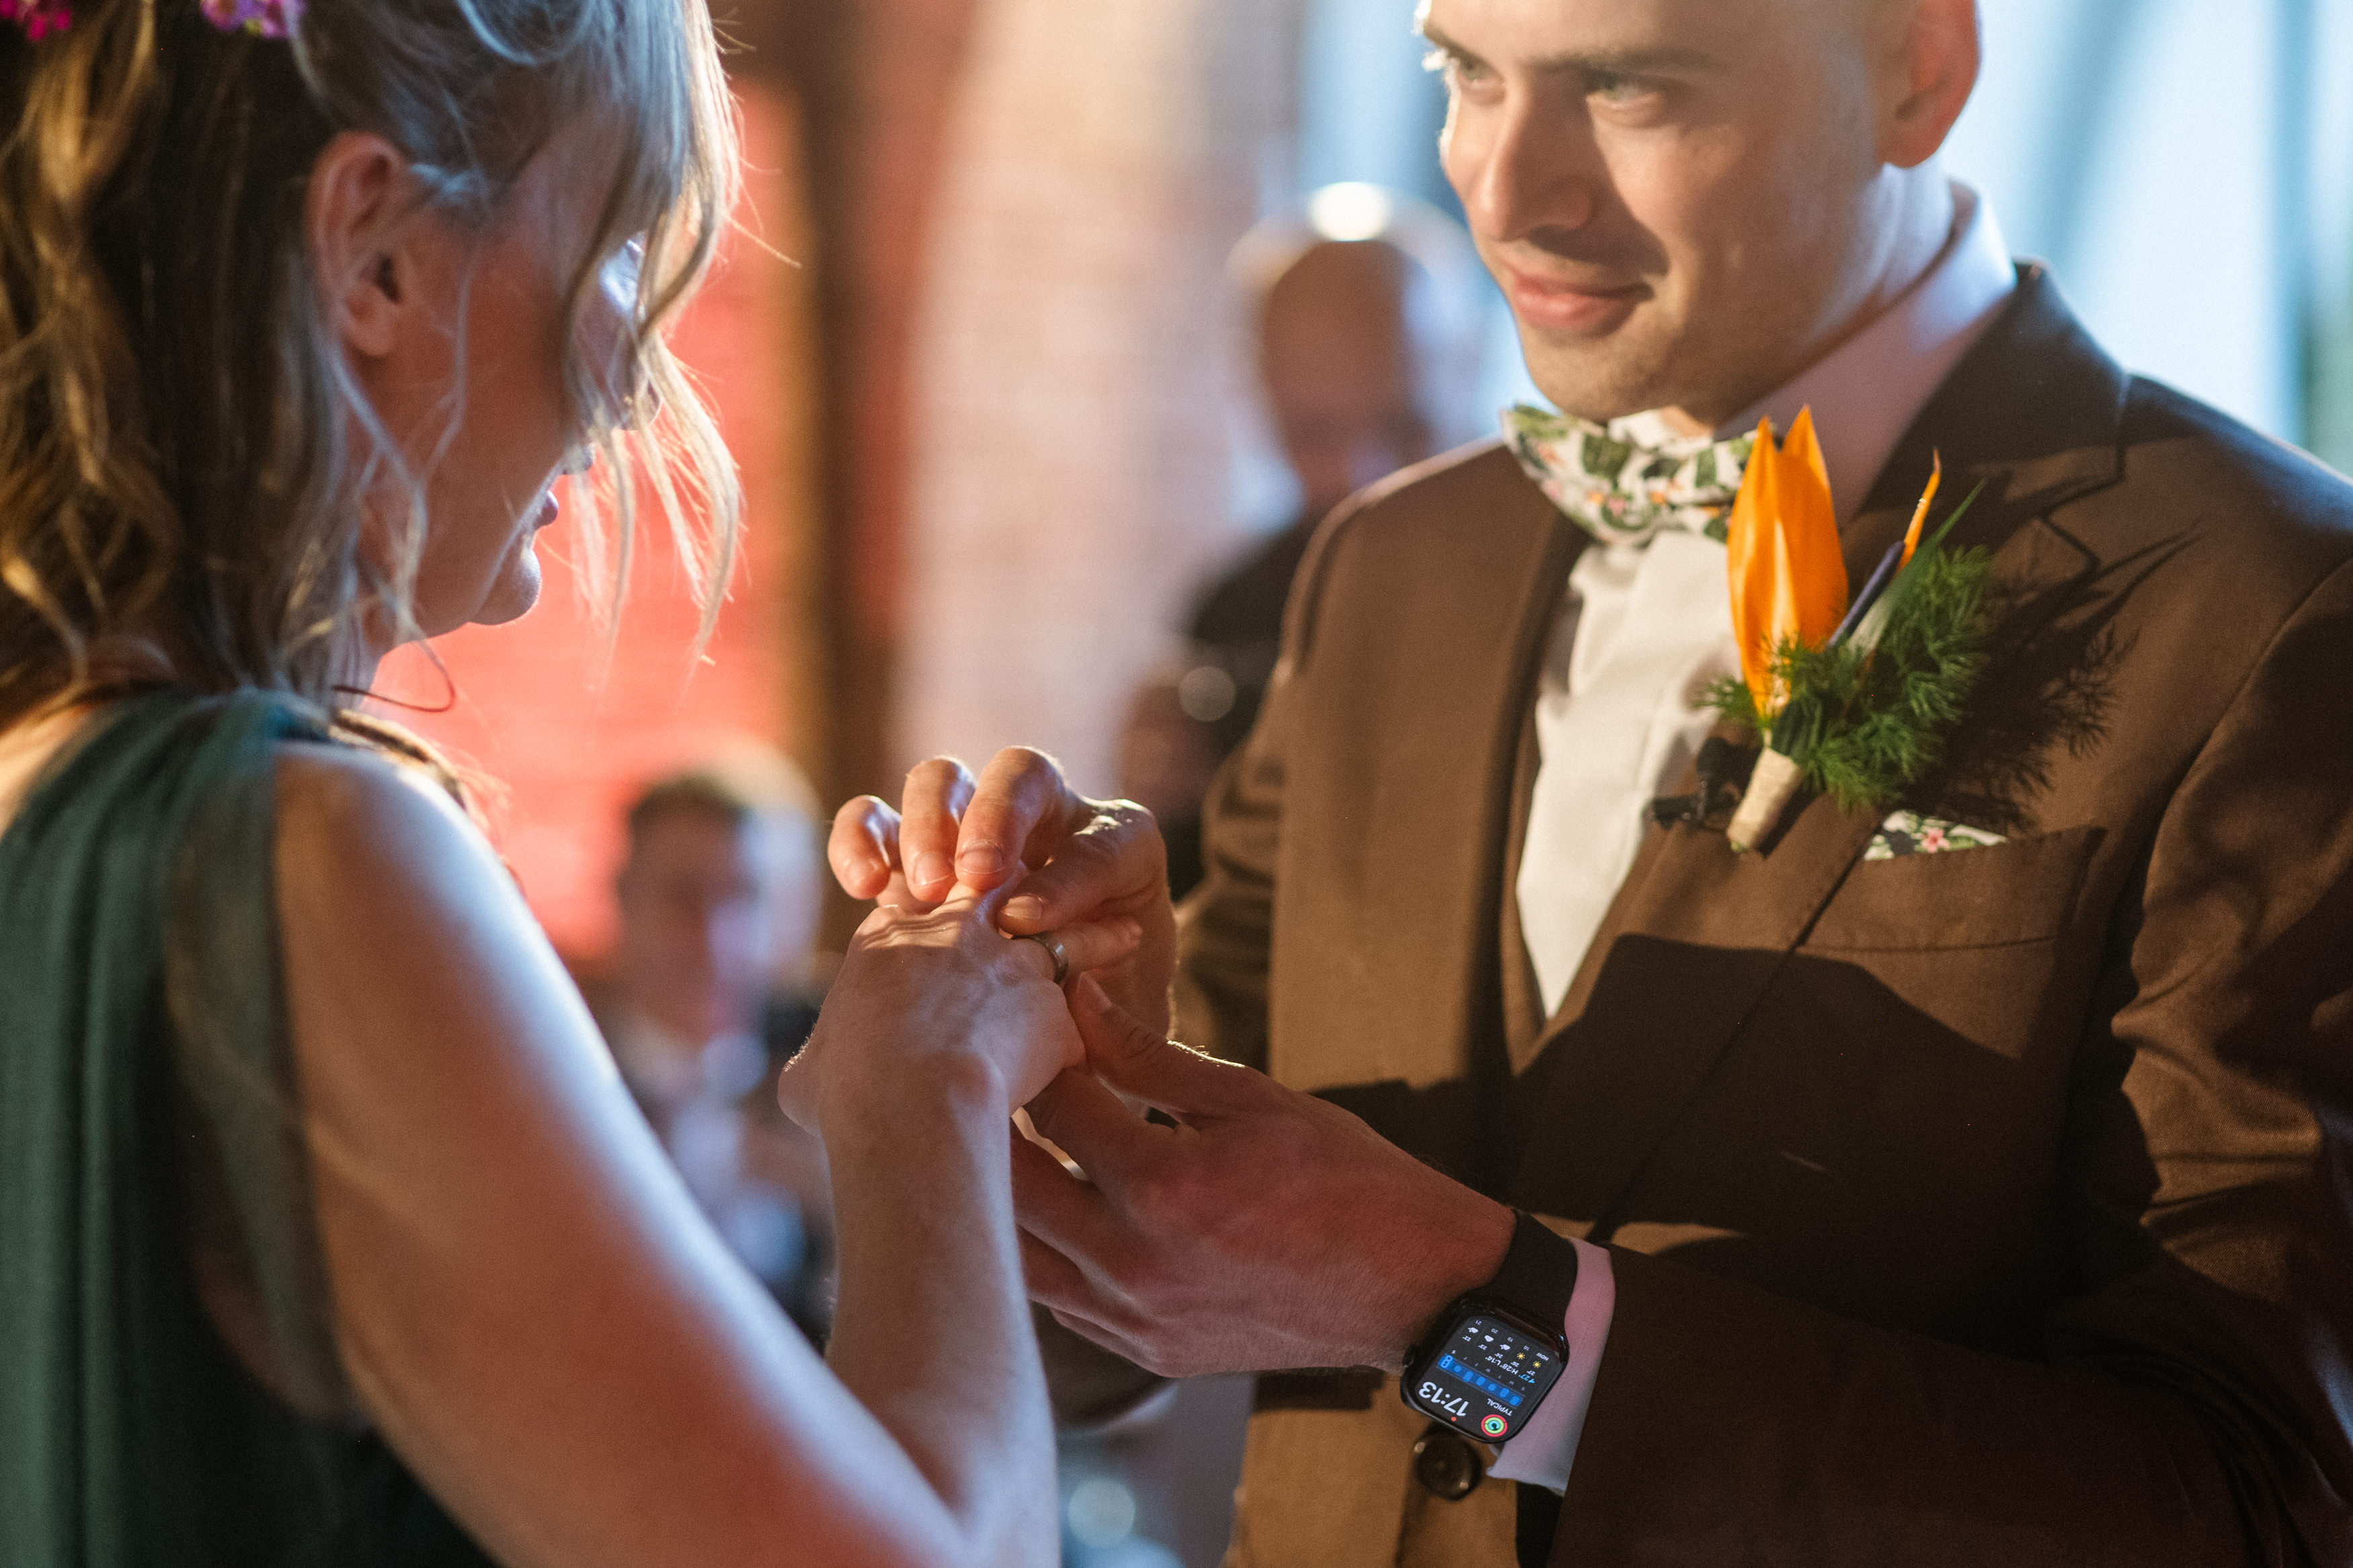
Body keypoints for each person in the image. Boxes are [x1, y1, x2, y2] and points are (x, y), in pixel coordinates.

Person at [840, 0, 2353, 1564]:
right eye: (1463, 74)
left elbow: (2260, 1508)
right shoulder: (1389, 570)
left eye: (1627, 87)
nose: (1504, 190)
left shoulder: (2278, 612)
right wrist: (1071, 1065)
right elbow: (1111, 1330)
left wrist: (1474, 1309)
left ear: (1921, 69)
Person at [0, 1, 1135, 1565]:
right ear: (374, 254)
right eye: (614, 246)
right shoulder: (287, 856)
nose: (634, 373)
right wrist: (923, 1083)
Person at [1119, 188, 1482, 897]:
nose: (1361, 477)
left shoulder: (1566, 569)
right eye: (1313, 434)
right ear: (1262, 395)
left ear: (1467, 369)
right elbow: (1201, 906)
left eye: (1403, 424)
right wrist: (1154, 803)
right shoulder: (1233, 607)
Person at [588, 753, 836, 1336]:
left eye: (745, 896)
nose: (713, 938)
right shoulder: (558, 1072)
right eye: (681, 896)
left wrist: (855, 1216)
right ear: (624, 900)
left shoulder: (840, 1060)